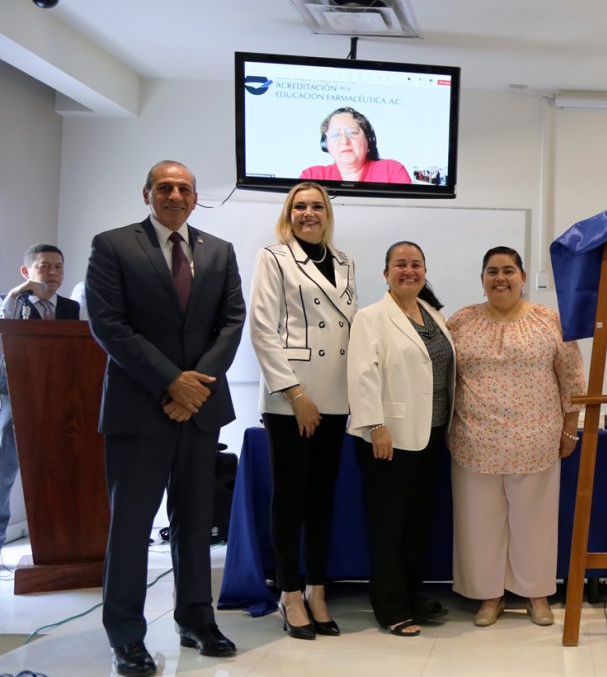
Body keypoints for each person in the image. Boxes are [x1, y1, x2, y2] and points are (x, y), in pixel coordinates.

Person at [86, 160, 246, 676]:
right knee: (131, 529)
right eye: (165, 187)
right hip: (139, 410)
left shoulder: (218, 251)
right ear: (147, 194)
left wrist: (194, 389)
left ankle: (197, 620)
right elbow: (108, 324)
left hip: (199, 412)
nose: (175, 195)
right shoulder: (113, 246)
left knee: (196, 524)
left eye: (184, 188)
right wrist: (170, 382)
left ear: (195, 197)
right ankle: (126, 637)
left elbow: (232, 323)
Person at [448, 246, 585, 627]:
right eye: (492, 271)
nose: (500, 278)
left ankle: (536, 594)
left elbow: (572, 377)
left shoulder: (549, 320)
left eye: (508, 270)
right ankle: (488, 596)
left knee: (535, 522)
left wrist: (570, 428)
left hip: (536, 439)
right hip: (474, 440)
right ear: (482, 279)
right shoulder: (461, 321)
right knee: (479, 523)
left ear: (523, 277)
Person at [247, 182, 357, 640]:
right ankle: (289, 592)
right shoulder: (273, 258)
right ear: (288, 213)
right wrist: (296, 394)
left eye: (316, 206)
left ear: (327, 213)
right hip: (291, 397)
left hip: (336, 395)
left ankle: (317, 589)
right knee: (290, 499)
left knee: (321, 500)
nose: (308, 213)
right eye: (299, 206)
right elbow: (262, 328)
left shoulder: (346, 262)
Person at [346, 241, 455, 636]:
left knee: (418, 522)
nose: (409, 270)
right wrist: (375, 425)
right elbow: (362, 374)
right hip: (388, 436)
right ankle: (390, 607)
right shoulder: (371, 318)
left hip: (432, 433)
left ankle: (411, 595)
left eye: (416, 264)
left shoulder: (433, 315)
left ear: (425, 272)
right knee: (389, 524)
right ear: (386, 273)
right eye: (400, 264)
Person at [0, 244, 81, 551]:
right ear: (26, 271)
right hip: (15, 399)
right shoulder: (11, 302)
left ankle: (58, 545)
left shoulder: (72, 308)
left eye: (58, 267)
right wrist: (15, 294)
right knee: (3, 474)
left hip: (59, 398)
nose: (53, 273)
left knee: (60, 472)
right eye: (44, 266)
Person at [299, 107, 410, 184]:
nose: (344, 141)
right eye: (335, 134)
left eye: (352, 133)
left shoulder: (391, 171)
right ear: (325, 144)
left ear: (369, 140)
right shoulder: (311, 177)